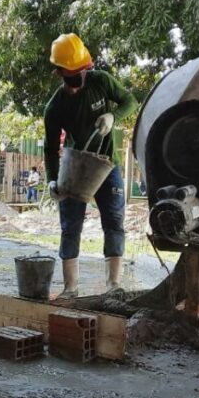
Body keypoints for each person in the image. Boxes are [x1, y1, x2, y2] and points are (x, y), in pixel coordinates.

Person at [44, 33, 137, 298]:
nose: (74, 85)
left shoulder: (101, 82)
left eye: (77, 78)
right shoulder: (55, 107)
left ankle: (113, 285)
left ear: (85, 68)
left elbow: (131, 101)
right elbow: (50, 148)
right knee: (70, 225)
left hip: (108, 166)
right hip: (75, 169)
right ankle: (70, 287)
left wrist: (113, 115)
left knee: (114, 222)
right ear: (59, 73)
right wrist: (52, 179)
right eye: (67, 78)